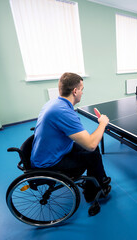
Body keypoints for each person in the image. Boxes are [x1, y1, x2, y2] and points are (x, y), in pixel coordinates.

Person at [30, 72, 111, 202]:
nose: (82, 93)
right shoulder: (63, 112)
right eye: (81, 89)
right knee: (93, 153)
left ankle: (99, 180)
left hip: (48, 152)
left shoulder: (53, 103)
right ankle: (93, 193)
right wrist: (102, 123)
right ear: (75, 91)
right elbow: (90, 144)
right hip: (49, 163)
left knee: (93, 151)